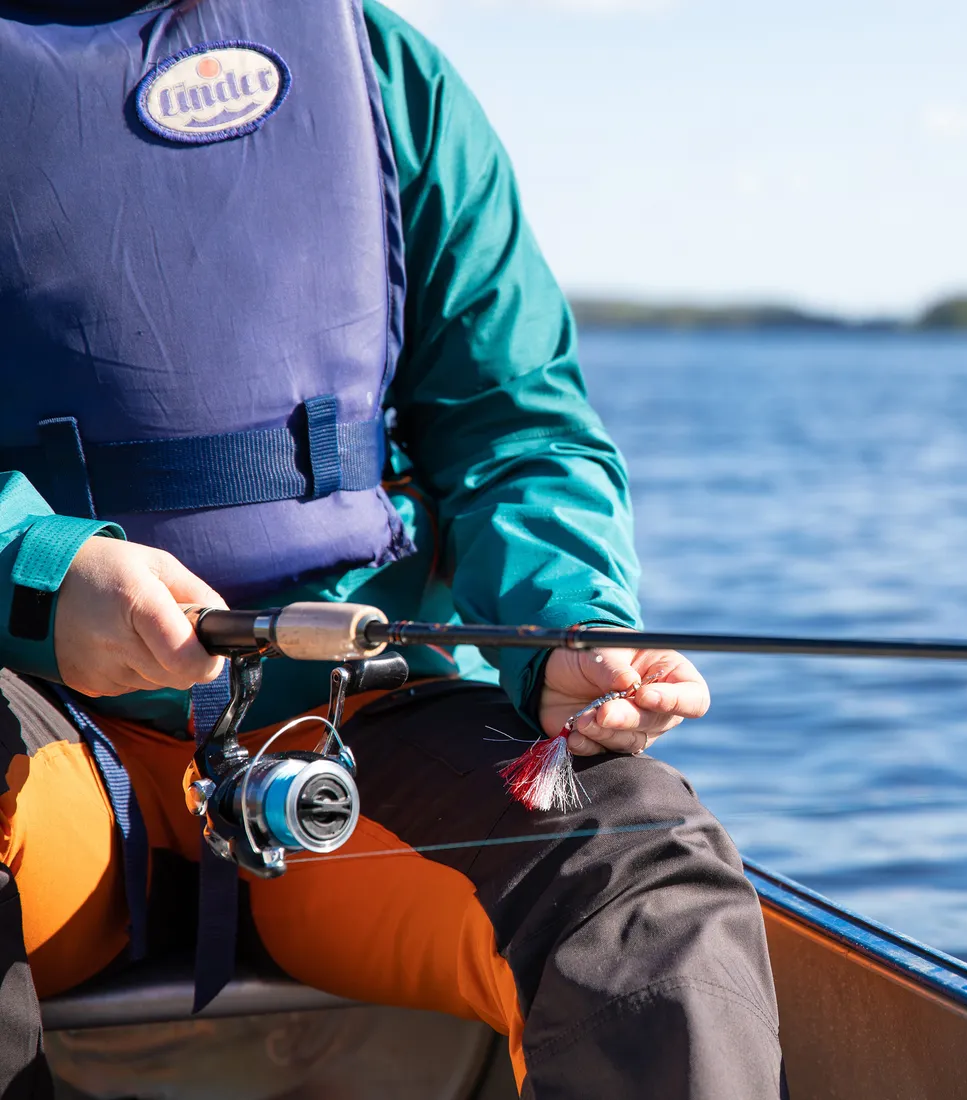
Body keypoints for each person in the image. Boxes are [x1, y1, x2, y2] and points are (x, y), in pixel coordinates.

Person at [0, 1, 782, 1097]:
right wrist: (38, 571)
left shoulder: (384, 72)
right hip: (47, 744)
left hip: (347, 740)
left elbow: (513, 425)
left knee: (646, 879)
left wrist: (563, 624)